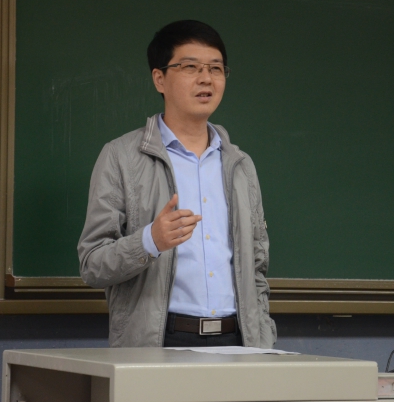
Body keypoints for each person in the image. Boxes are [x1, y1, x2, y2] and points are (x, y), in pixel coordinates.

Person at [77, 20, 276, 348]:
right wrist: (150, 241)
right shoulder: (121, 157)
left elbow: (257, 266)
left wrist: (263, 339)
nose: (206, 78)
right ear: (159, 79)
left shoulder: (240, 165)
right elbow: (92, 265)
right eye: (190, 67)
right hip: (160, 342)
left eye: (216, 68)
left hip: (239, 342)